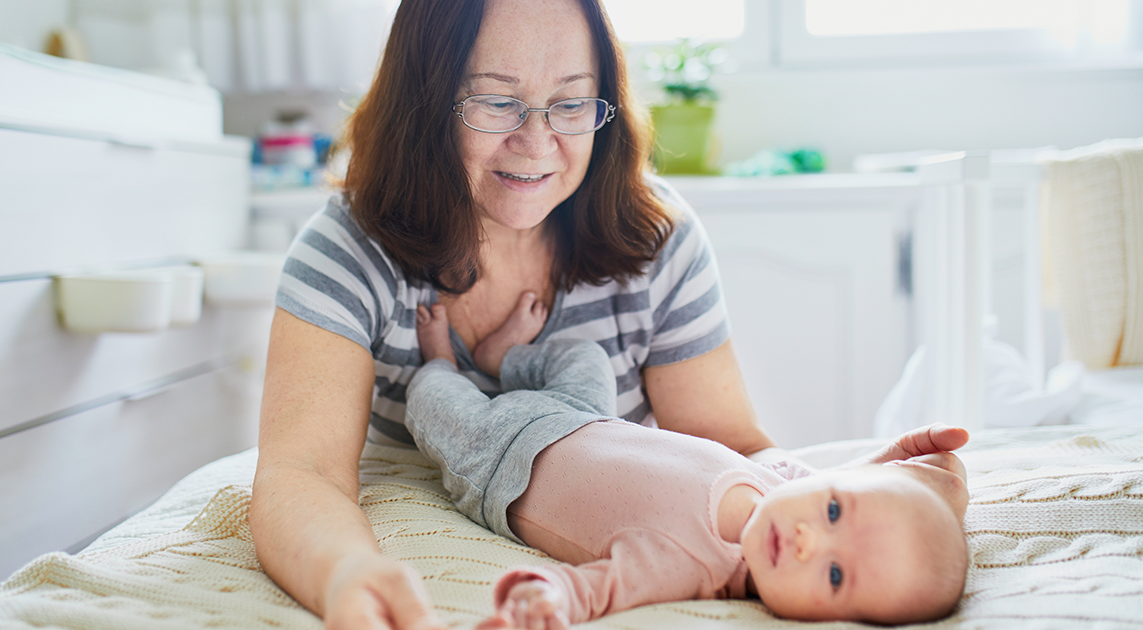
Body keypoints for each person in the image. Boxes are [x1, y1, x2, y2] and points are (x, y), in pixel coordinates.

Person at [249, 1, 968, 628]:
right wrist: (346, 575)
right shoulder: (347, 251)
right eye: (496, 102)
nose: (537, 144)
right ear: (426, 103)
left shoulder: (658, 239)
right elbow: (299, 473)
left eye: (570, 104)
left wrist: (859, 498)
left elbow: (731, 452)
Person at [407, 300, 970, 628]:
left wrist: (545, 602)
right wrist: (912, 473)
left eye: (835, 574)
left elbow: (595, 589)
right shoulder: (778, 486)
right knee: (586, 358)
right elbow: (844, 480)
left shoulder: (685, 566)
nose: (806, 541)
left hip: (499, 457)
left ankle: (444, 364)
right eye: (831, 512)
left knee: (432, 404)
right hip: (582, 415)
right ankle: (503, 358)